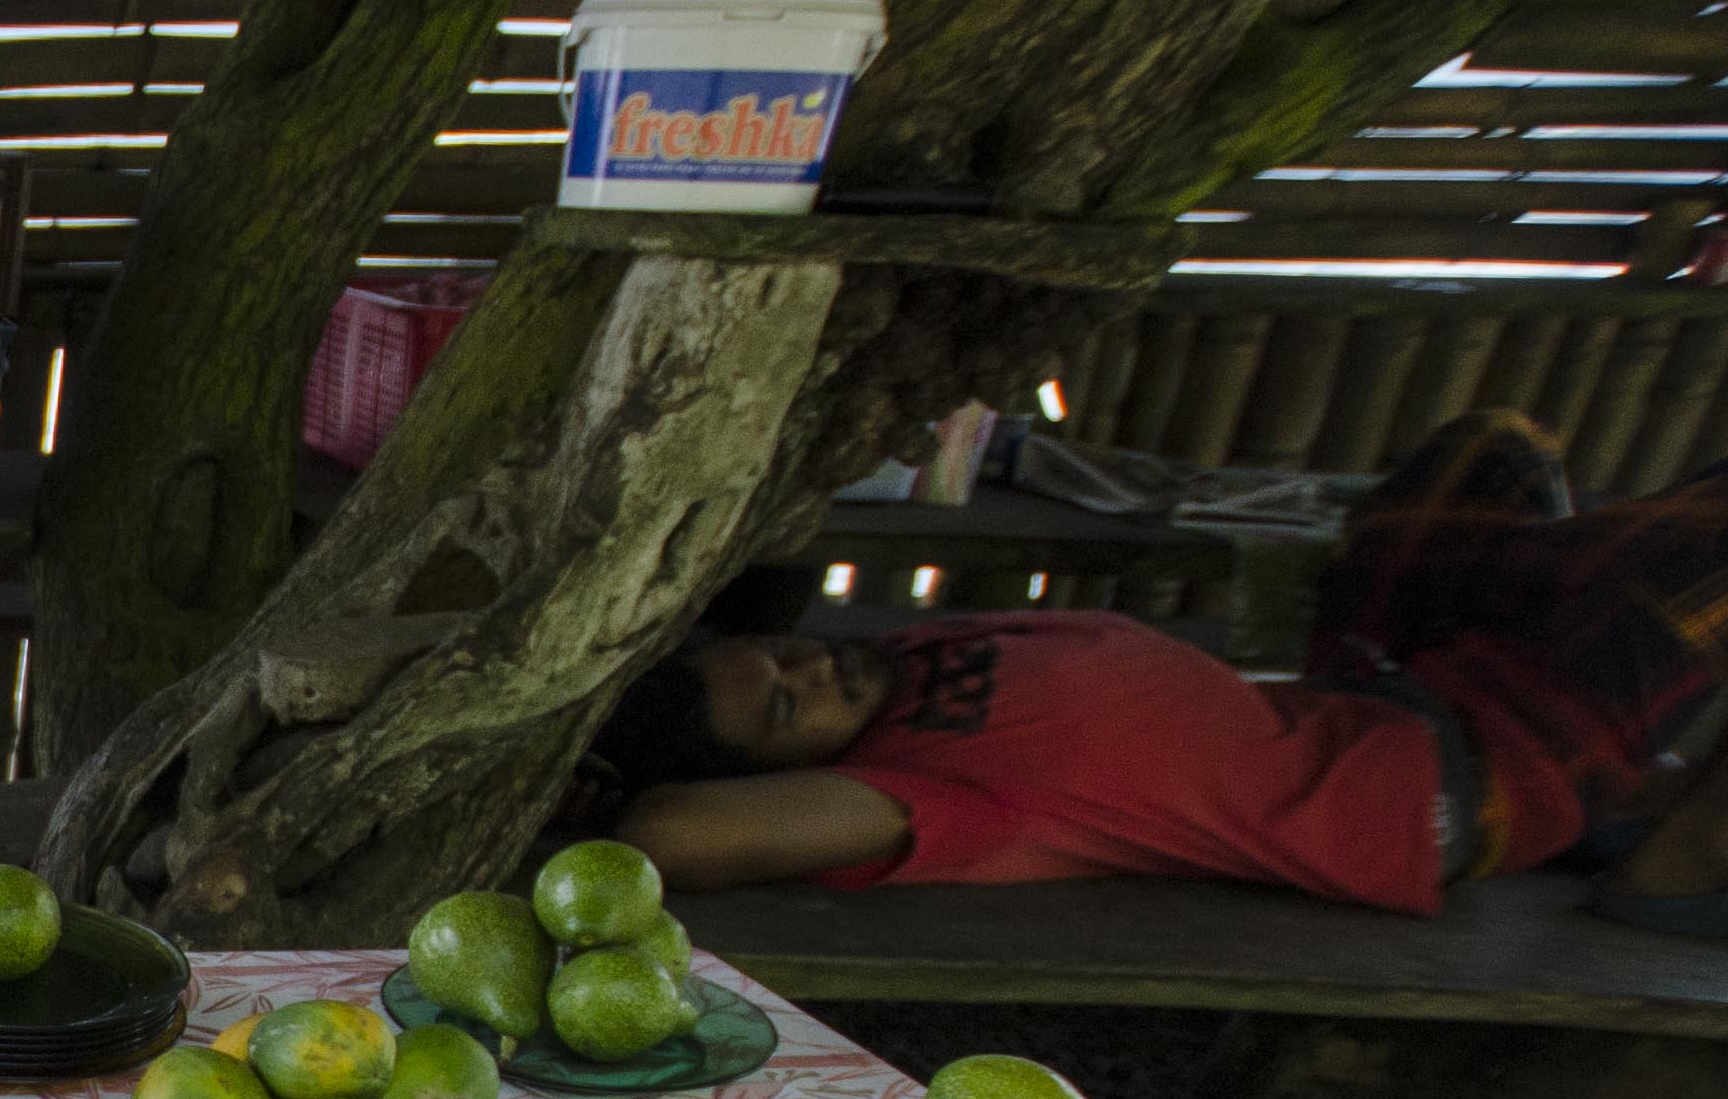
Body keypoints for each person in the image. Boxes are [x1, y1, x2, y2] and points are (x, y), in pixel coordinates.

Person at [598, 413, 1728, 930]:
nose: (808, 673)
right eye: (786, 709)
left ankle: (1636, 759)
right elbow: (671, 833)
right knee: (1694, 552)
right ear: (791, 767)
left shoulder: (893, 652)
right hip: (1464, 786)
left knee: (1489, 456)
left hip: (1385, 689)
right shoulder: (939, 793)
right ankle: (1678, 862)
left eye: (781, 657)